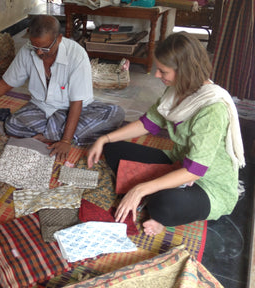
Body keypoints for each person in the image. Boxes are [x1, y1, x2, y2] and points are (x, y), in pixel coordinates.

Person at [87, 32, 245, 236]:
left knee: (164, 205)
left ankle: (158, 207)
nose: (156, 76)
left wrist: (140, 189)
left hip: (206, 183)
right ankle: (156, 188)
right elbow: (148, 124)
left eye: (162, 71)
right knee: (113, 148)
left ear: (185, 71)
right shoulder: (178, 89)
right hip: (177, 162)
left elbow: (194, 171)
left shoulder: (211, 110)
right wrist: (104, 138)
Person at [0, 15, 124, 161]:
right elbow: (6, 83)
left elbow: (76, 102)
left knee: (115, 114)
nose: (39, 52)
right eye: (35, 47)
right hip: (42, 108)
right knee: (12, 124)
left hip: (77, 109)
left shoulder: (76, 55)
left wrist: (66, 141)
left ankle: (51, 135)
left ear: (59, 39)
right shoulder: (27, 50)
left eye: (45, 48)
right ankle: (60, 134)